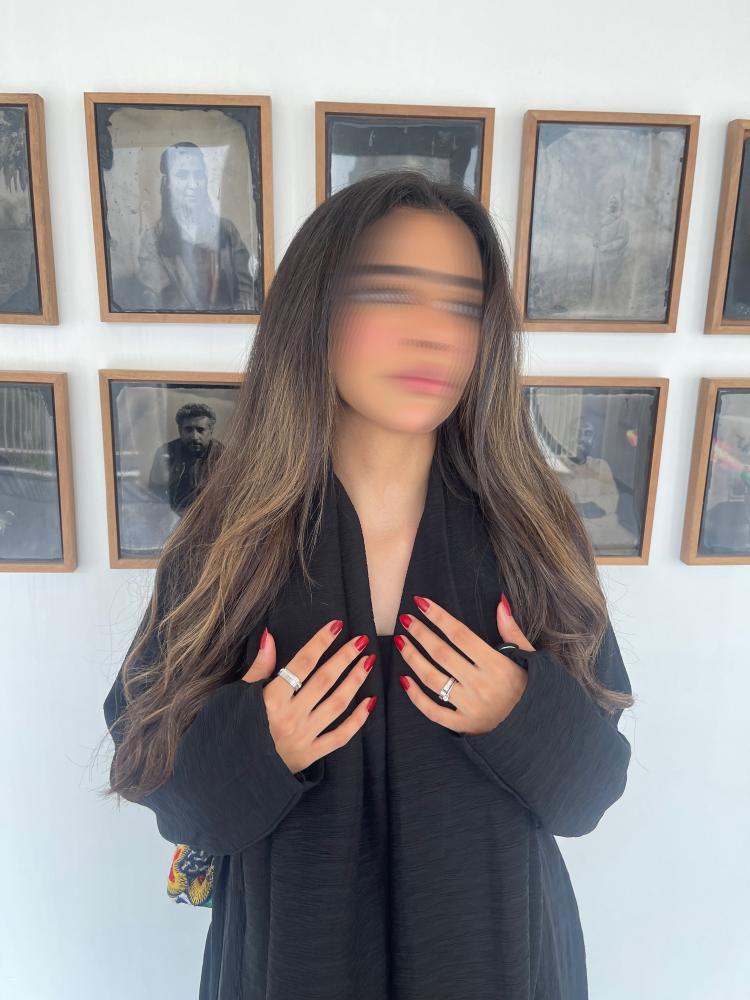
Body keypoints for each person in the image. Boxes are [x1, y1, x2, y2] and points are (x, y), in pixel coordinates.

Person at [101, 169, 635, 999]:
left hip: (496, 965)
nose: (434, 334)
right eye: (388, 292)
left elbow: (591, 792)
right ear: (314, 311)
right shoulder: (231, 541)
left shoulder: (533, 531)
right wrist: (262, 742)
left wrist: (520, 711)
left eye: (463, 306)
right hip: (291, 967)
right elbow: (161, 784)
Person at [135, 141, 259, 312]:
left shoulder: (227, 230)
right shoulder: (154, 238)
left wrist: (232, 319)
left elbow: (248, 291)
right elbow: (157, 302)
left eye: (198, 175)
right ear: (168, 182)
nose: (193, 185)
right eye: (182, 175)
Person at [147, 402, 225, 515]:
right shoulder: (166, 453)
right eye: (188, 430)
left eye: (200, 430)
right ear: (180, 430)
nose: (194, 436)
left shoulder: (223, 455)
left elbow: (228, 497)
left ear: (211, 431)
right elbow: (154, 496)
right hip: (173, 517)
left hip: (211, 517)